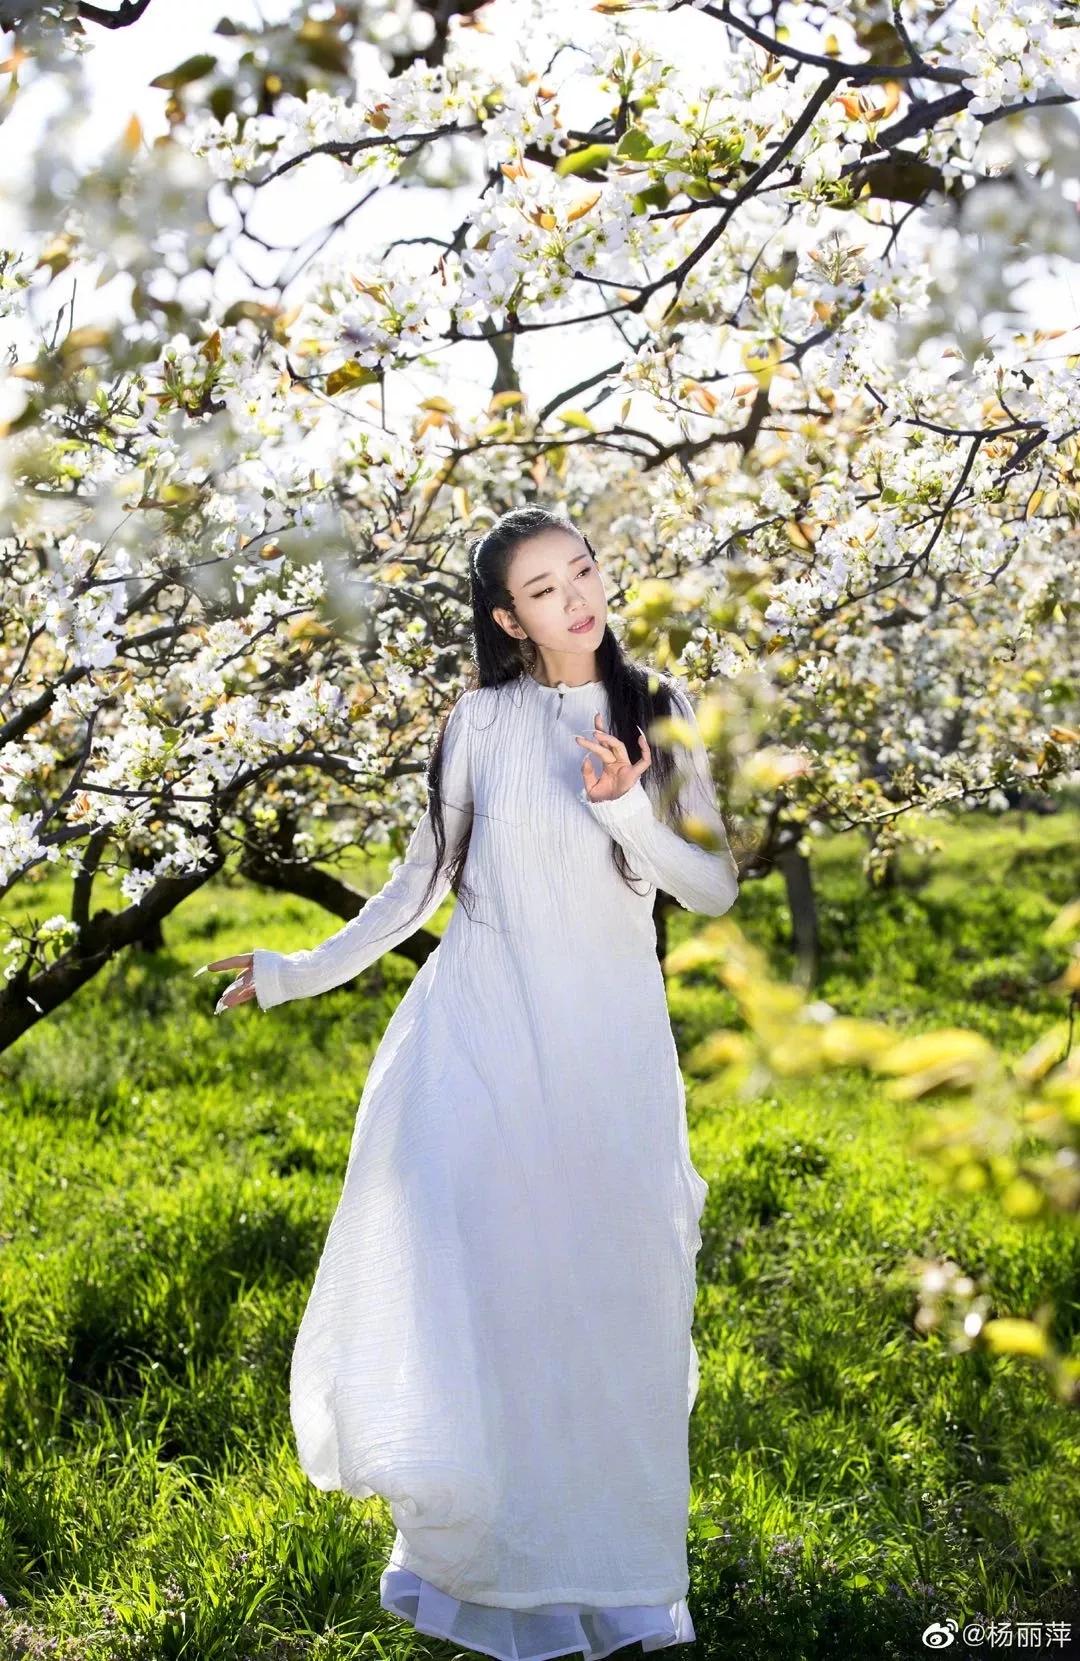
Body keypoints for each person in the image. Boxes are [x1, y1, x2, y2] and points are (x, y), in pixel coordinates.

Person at [203, 506, 740, 1661]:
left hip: (608, 1044)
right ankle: (495, 1568)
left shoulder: (656, 707)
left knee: (614, 1305)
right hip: (487, 1035)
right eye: (544, 589)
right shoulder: (478, 723)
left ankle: (617, 1575)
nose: (577, 598)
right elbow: (417, 886)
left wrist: (624, 809)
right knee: (497, 1301)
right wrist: (294, 972)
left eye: (582, 570)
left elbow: (711, 887)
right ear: (506, 617)